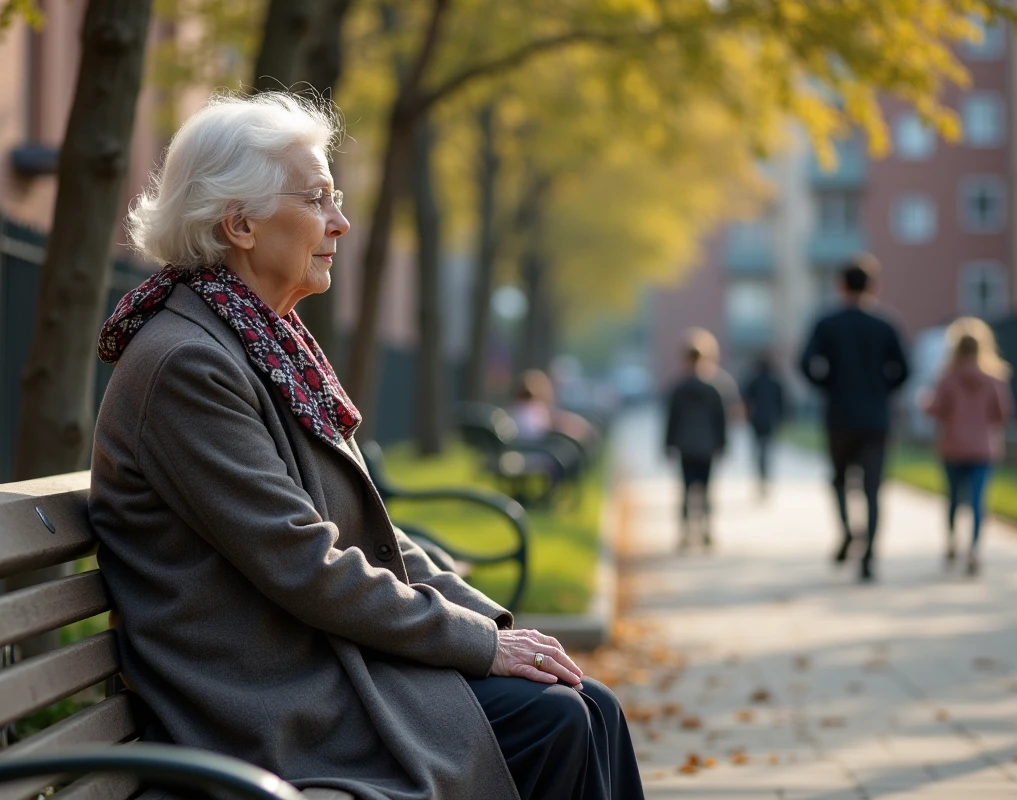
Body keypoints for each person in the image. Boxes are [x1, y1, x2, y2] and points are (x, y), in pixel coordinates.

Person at [89, 93, 644, 800]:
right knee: (556, 722)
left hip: (322, 664)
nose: (341, 222)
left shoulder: (258, 341)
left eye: (336, 197)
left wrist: (489, 627)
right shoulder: (188, 366)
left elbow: (370, 538)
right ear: (240, 223)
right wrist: (479, 644)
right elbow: (305, 563)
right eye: (318, 198)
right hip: (269, 704)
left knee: (592, 704)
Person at [799, 254, 910, 582]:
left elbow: (805, 363)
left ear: (840, 286)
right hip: (876, 418)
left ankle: (849, 531)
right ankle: (870, 556)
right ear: (874, 286)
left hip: (840, 416)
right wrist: (883, 390)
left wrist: (827, 385)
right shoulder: (886, 324)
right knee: (873, 489)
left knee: (838, 481)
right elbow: (904, 369)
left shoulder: (827, 323)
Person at [922, 318, 1015, 577]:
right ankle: (973, 548)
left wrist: (925, 402)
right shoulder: (994, 379)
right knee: (977, 500)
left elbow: (936, 409)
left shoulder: (947, 377)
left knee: (953, 498)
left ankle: (952, 541)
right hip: (982, 448)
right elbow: (1003, 413)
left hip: (952, 447)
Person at [665, 329, 728, 551]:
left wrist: (668, 444)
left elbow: (672, 420)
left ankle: (685, 532)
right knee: (706, 490)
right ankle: (705, 530)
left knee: (686, 489)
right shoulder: (715, 388)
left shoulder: (679, 388)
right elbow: (721, 420)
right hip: (707, 446)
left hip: (686, 446)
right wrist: (722, 444)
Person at [742, 353, 786, 499]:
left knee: (759, 451)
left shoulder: (754, 380)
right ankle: (764, 476)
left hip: (757, 420)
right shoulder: (775, 381)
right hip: (769, 421)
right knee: (766, 451)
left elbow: (746, 399)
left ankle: (761, 477)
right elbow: (782, 403)